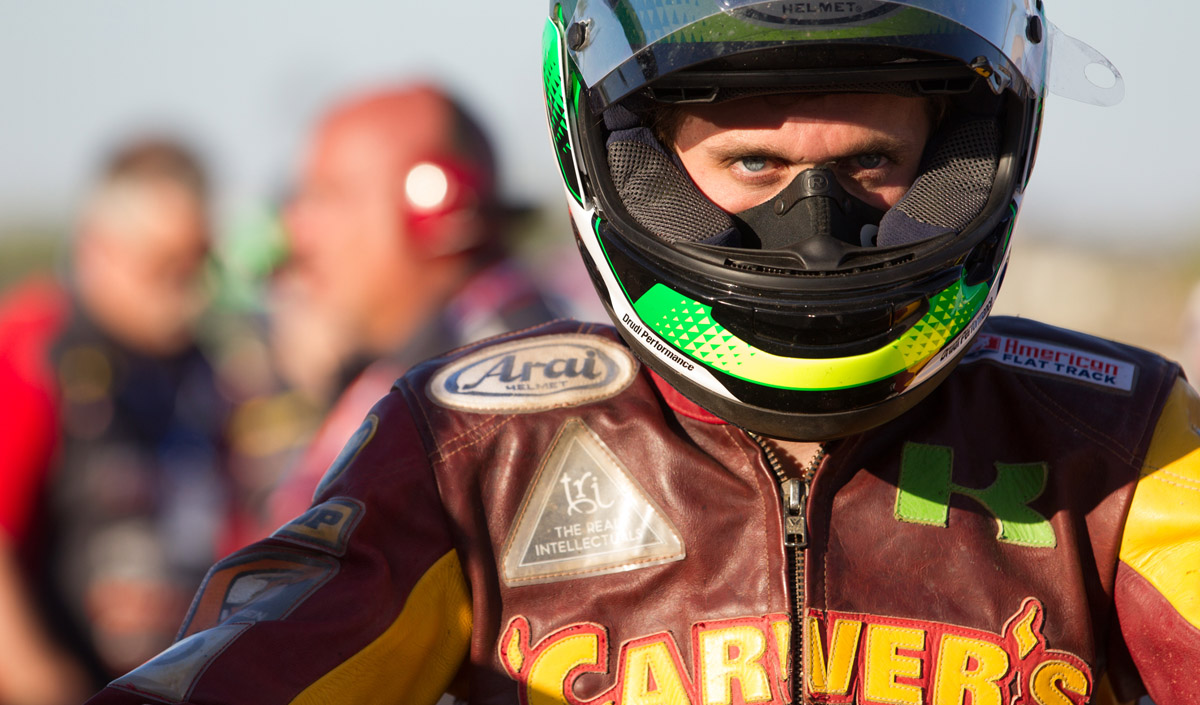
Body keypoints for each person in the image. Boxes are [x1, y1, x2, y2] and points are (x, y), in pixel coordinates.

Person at [86, 2, 1196, 704]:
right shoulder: (473, 450)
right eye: (755, 165)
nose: (816, 230)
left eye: (871, 164)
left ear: (964, 157)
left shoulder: (1121, 440)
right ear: (632, 163)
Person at [256, 82, 562, 536]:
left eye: (329, 195)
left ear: (435, 206)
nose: (297, 233)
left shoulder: (510, 384)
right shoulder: (423, 370)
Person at [0, 138, 233, 703]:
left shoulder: (204, 371)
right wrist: (41, 681)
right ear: (97, 250)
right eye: (165, 268)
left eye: (199, 265)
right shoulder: (36, 351)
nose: (190, 293)